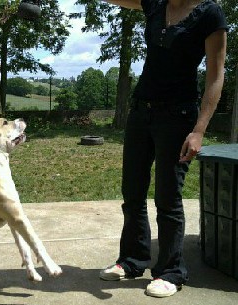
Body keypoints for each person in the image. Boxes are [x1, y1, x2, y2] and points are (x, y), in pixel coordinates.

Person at [98, 0, 228, 298]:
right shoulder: (155, 3)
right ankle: (131, 260)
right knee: (132, 192)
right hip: (141, 111)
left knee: (168, 198)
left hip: (179, 116)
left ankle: (170, 271)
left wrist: (199, 130)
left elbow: (215, 75)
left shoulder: (210, 13)